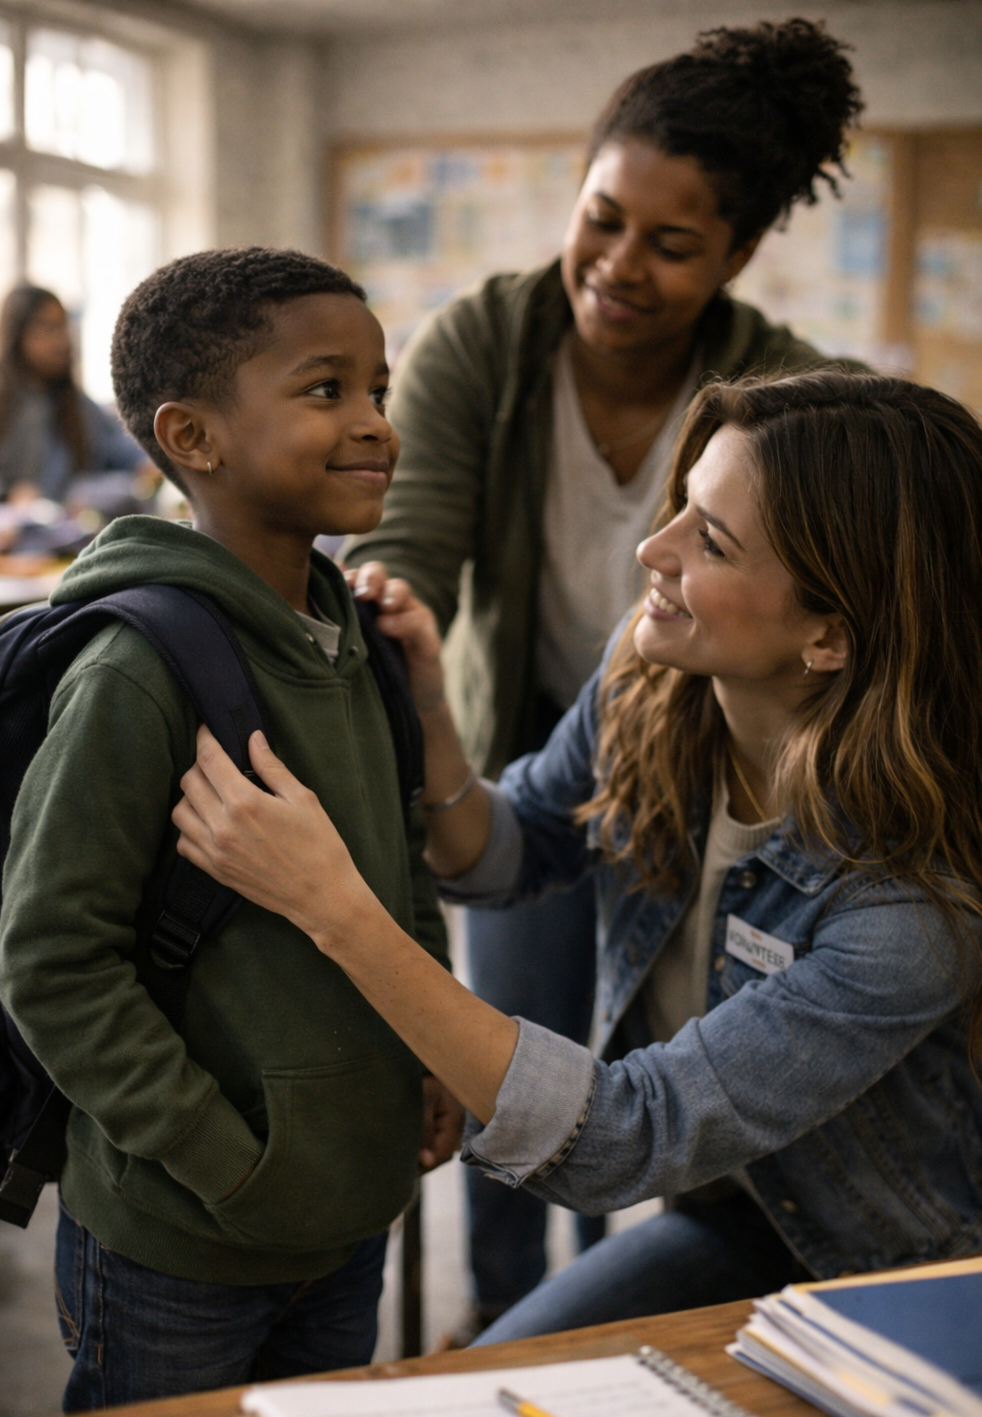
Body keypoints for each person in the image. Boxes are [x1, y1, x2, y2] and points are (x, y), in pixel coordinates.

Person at [171, 369, 982, 1347]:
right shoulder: (655, 677)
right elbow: (505, 855)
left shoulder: (913, 908)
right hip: (737, 1218)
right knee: (481, 1398)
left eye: (712, 541)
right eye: (685, 506)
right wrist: (432, 713)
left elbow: (622, 1136)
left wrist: (336, 910)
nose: (655, 549)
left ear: (826, 635)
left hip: (914, 1272)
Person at [343, 18, 865, 1336]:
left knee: (652, 1050)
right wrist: (389, 624)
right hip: (564, 724)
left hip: (713, 737)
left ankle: (601, 1278)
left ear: (739, 256)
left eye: (672, 244)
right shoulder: (491, 341)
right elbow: (415, 552)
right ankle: (515, 1300)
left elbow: (884, 530)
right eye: (602, 219)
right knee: (514, 1030)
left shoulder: (779, 401)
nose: (619, 265)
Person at [0, 247, 460, 1412]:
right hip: (181, 1244)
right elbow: (52, 964)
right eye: (325, 391)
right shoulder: (137, 670)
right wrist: (226, 1165)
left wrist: (432, 1038)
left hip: (348, 1208)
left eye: (378, 390)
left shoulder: (350, 639)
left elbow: (397, 863)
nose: (374, 425)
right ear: (191, 438)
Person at [0, 284, 146, 506]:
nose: (62, 341)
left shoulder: (75, 403)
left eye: (63, 327)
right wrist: (6, 495)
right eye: (48, 328)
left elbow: (117, 450)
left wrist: (149, 462)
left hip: (74, 531)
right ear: (17, 335)